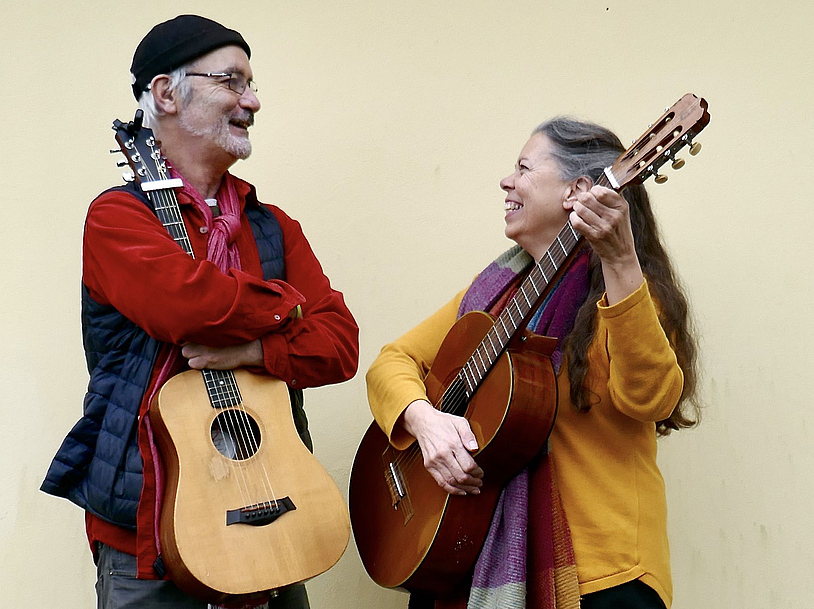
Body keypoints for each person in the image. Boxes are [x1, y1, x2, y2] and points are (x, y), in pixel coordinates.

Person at [40, 14, 359, 609]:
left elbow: (340, 346)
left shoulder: (272, 227)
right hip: (149, 538)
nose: (253, 100)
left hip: (275, 509)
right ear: (165, 93)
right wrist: (288, 307)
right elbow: (187, 308)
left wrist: (257, 350)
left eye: (251, 84)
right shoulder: (117, 218)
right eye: (232, 82)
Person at [365, 118, 699, 609]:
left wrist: (622, 262)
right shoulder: (495, 297)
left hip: (601, 575)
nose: (507, 181)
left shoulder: (635, 295)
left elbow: (650, 399)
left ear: (578, 190)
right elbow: (392, 361)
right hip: (473, 560)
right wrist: (426, 422)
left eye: (523, 168)